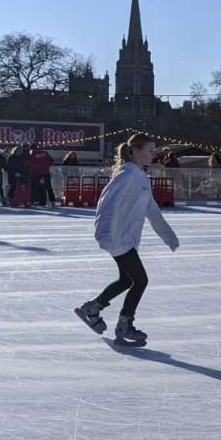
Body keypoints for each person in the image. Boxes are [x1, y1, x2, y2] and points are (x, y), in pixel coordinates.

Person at [74, 133, 179, 346]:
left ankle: (92, 309)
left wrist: (168, 235)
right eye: (150, 150)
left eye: (153, 150)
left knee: (128, 280)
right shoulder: (127, 176)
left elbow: (152, 210)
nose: (153, 154)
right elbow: (107, 204)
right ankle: (124, 326)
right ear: (136, 151)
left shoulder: (140, 176)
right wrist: (104, 233)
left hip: (125, 238)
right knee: (140, 280)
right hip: (116, 237)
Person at [28, 143, 57, 208]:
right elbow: (52, 160)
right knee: (49, 187)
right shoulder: (44, 153)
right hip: (46, 172)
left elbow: (31, 165)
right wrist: (47, 166)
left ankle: (34, 201)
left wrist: (31, 173)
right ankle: (53, 201)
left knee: (35, 187)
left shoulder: (32, 154)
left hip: (37, 173)